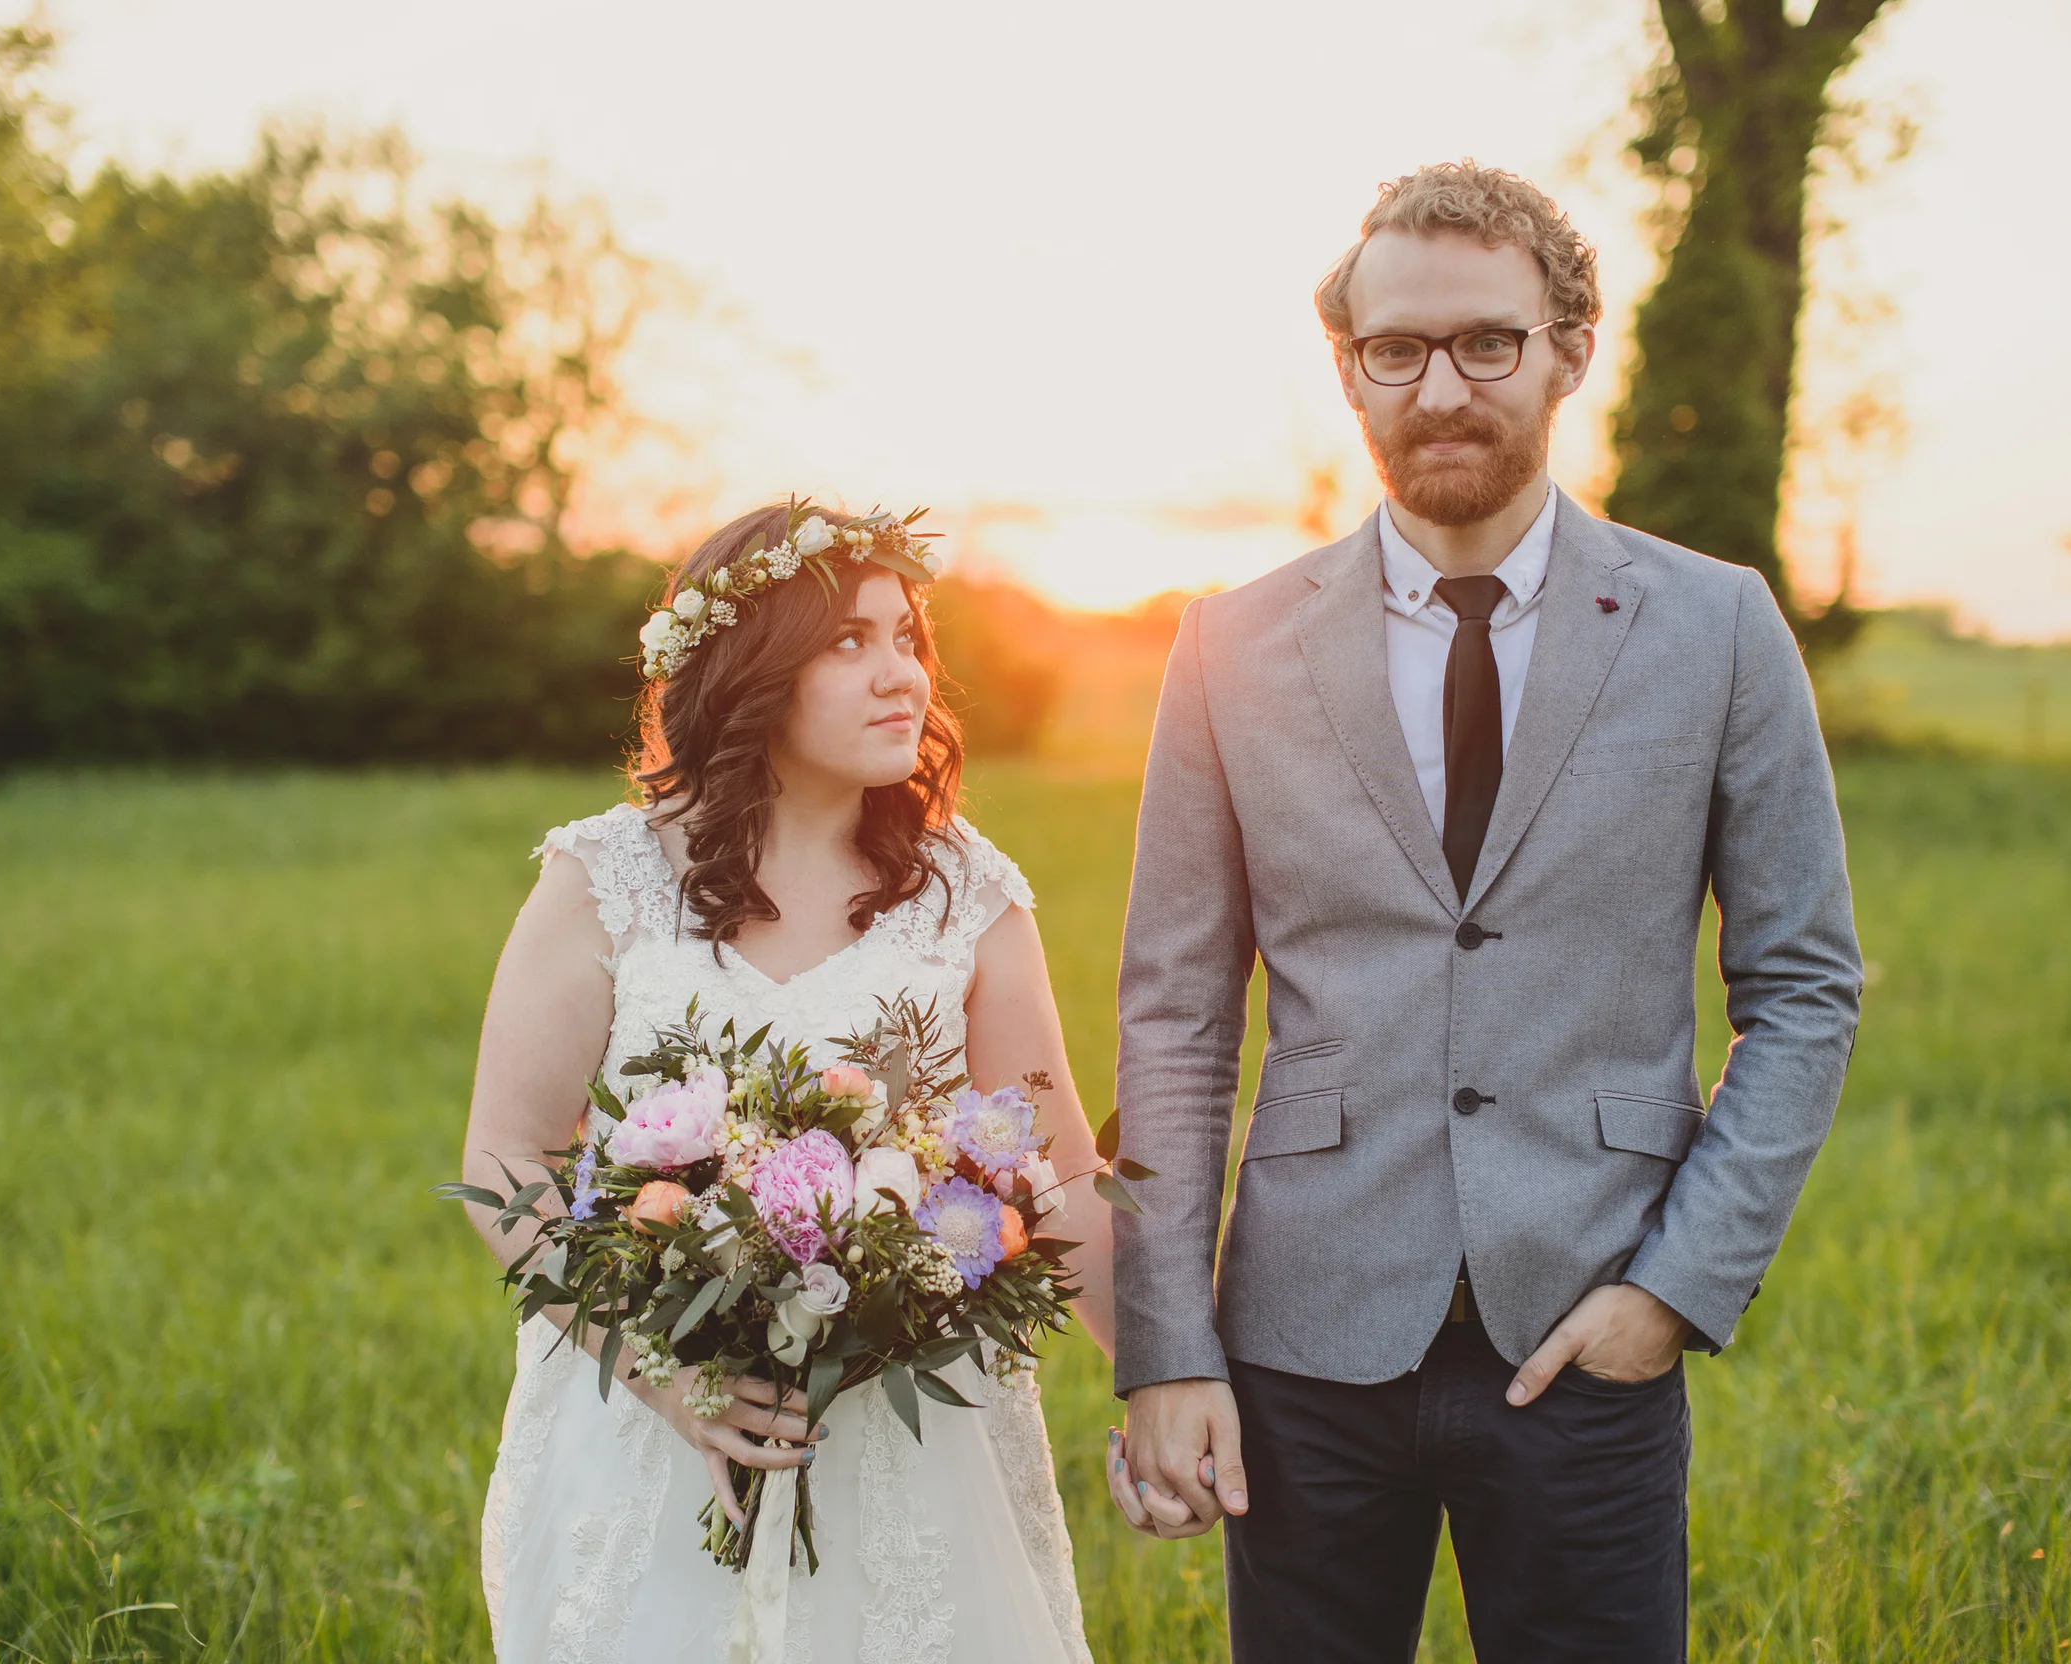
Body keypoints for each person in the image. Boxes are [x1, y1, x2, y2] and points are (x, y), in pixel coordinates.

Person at [1106, 161, 1863, 1661]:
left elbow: (1804, 990)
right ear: (1350, 368)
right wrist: (1165, 1347)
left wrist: (1673, 1290)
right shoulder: (1229, 647)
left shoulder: (1715, 628)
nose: (1440, 387)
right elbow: (1176, 1014)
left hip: (1592, 1333)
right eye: (1398, 350)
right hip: (1301, 1350)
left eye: (1487, 344)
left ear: (1571, 349)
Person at [459, 500, 1108, 1663]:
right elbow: (507, 1158)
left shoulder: (968, 891)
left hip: (911, 1435)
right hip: (653, 1425)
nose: (899, 672)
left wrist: (1171, 1383)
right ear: (747, 674)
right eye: (847, 642)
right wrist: (666, 1379)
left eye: (908, 636)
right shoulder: (604, 874)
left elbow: (1057, 1169)